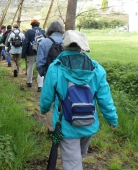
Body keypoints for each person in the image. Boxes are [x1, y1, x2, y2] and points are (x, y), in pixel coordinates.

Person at [40, 30, 118, 170]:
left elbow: (47, 96)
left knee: (72, 162)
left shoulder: (55, 68)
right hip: (89, 122)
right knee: (79, 155)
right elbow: (105, 99)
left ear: (64, 45)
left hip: (66, 123)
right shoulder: (97, 69)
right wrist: (112, 119)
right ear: (82, 46)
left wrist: (44, 109)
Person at [21, 19, 45, 91]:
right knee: (40, 68)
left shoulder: (29, 32)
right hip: (41, 52)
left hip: (30, 52)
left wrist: (23, 55)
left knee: (30, 67)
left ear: (31, 25)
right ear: (38, 24)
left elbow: (25, 43)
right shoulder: (43, 31)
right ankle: (40, 86)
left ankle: (29, 82)